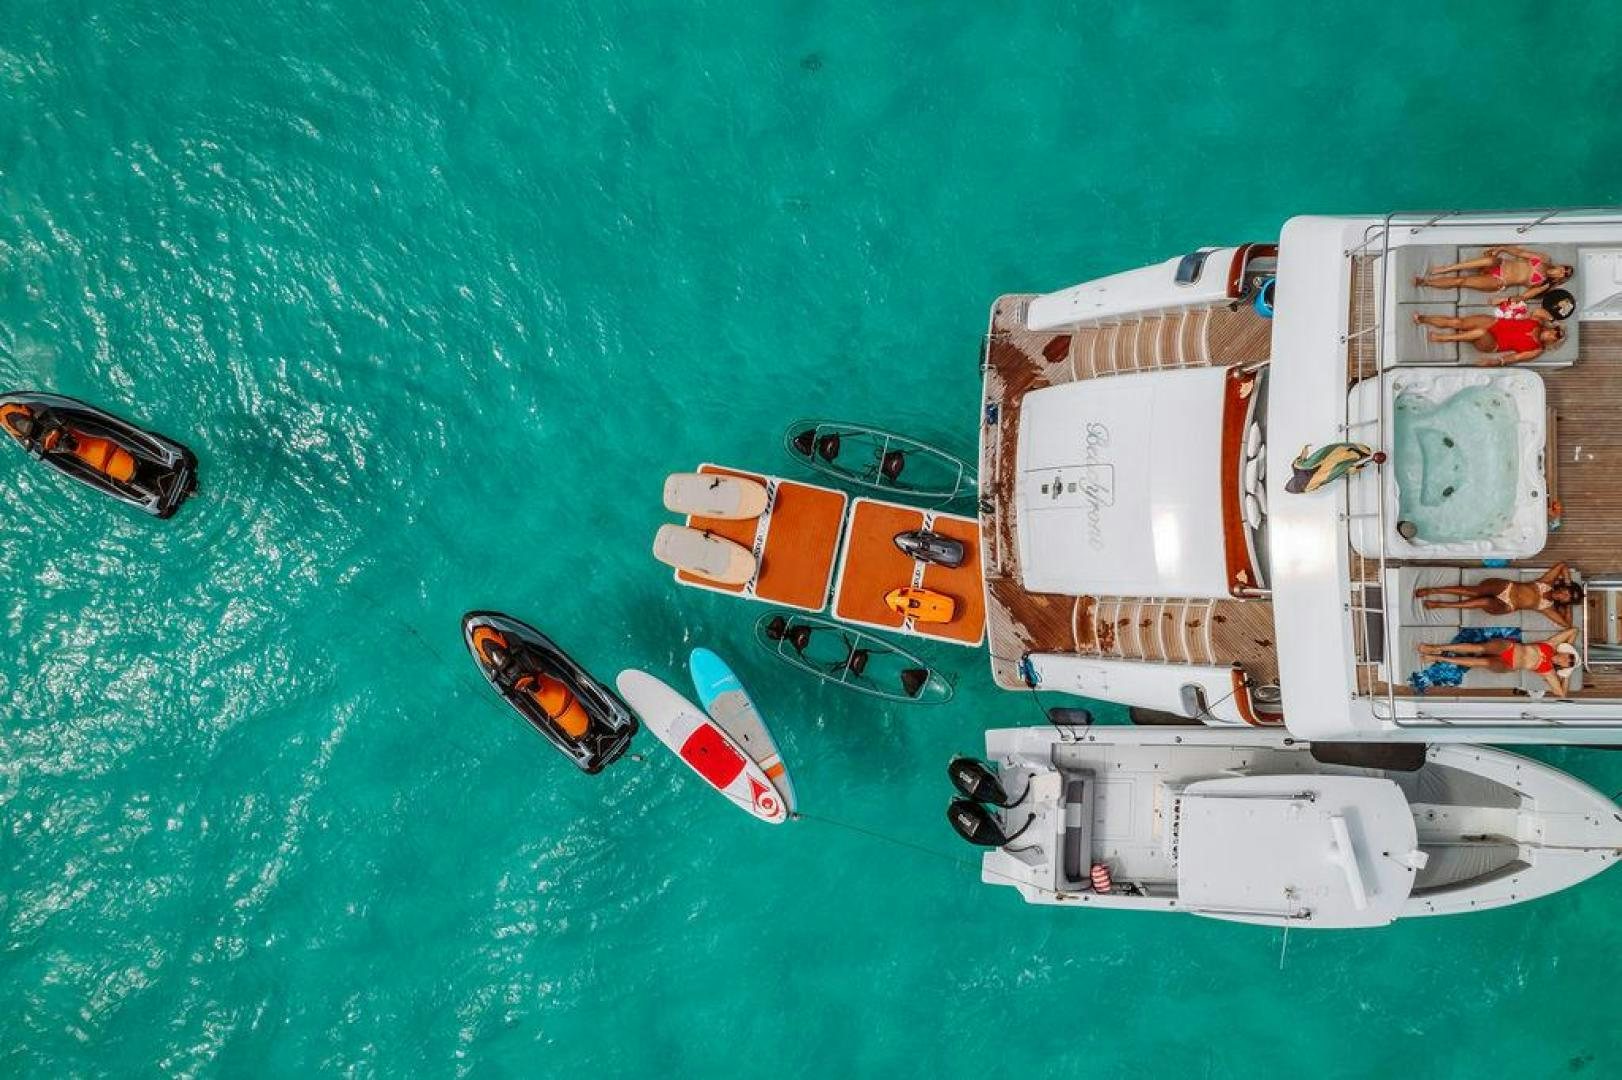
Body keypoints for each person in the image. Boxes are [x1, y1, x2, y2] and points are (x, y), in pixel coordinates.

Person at [1417, 628, 1579, 698]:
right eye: (1569, 656)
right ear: (1565, 651)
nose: (1566, 659)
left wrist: (1567, 674)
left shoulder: (1549, 671)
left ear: (1564, 667)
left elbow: (1561, 694)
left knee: (1476, 662)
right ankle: (1436, 648)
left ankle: (1438, 658)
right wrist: (1570, 647)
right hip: (1509, 648)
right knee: (1478, 648)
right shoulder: (1551, 645)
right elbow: (1574, 631)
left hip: (1509, 665)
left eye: (1568, 663)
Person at [1415, 562, 1583, 628]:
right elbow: (1562, 565)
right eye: (1565, 591)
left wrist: (1568, 607)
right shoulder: (1547, 582)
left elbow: (1568, 625)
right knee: (1472, 591)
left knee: (1483, 602)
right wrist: (1569, 582)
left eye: (1566, 598)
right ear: (1563, 587)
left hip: (1507, 606)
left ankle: (1440, 605)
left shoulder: (1549, 609)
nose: (1562, 594)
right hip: (1505, 587)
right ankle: (1433, 590)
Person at [1413, 310, 1565, 365]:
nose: (1553, 333)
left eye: (1557, 336)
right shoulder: (1537, 321)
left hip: (1492, 344)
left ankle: (1443, 338)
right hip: (1494, 323)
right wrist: (1554, 321)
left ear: (1554, 342)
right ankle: (1422, 319)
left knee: (1480, 332)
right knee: (1458, 322)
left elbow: (1515, 358)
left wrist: (1494, 361)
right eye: (1556, 331)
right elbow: (1539, 311)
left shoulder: (1537, 349)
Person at [1414, 246, 1574, 296]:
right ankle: (1447, 268)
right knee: (1491, 259)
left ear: (1562, 278)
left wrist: (1507, 302)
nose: (1562, 271)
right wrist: (1501, 248)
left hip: (1499, 281)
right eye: (1564, 268)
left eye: (1565, 274)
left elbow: (1524, 296)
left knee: (1461, 282)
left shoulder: (1544, 284)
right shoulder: (1544, 259)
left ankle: (1425, 282)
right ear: (1562, 265)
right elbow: (1518, 253)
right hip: (1499, 264)